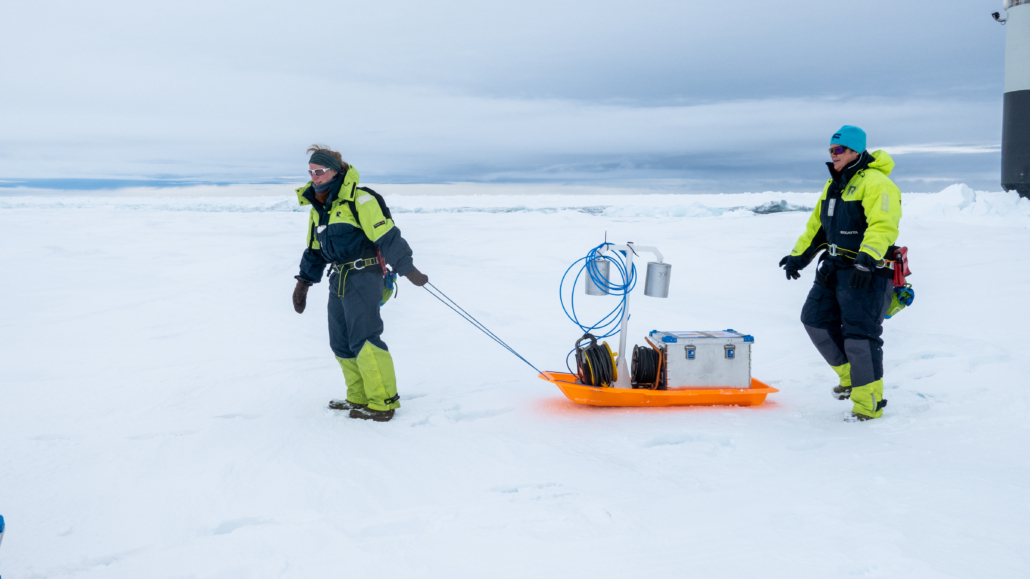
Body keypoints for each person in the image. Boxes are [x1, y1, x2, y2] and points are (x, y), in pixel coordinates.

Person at [292, 145, 429, 422]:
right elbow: (315, 249)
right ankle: (358, 396)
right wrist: (304, 282)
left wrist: (407, 268)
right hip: (338, 278)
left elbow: (386, 236)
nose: (314, 176)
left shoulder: (361, 199)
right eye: (310, 172)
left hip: (364, 276)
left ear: (335, 171)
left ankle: (383, 402)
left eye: (319, 171)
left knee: (364, 338)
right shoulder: (320, 208)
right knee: (340, 341)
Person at [779, 126, 902, 421]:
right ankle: (851, 377)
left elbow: (883, 226)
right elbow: (818, 227)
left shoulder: (877, 183)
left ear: (855, 151)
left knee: (860, 337)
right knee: (815, 320)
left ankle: (866, 406)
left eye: (838, 150)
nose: (833, 156)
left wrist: (866, 259)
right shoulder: (833, 185)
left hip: (866, 272)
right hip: (834, 268)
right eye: (830, 151)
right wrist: (799, 257)